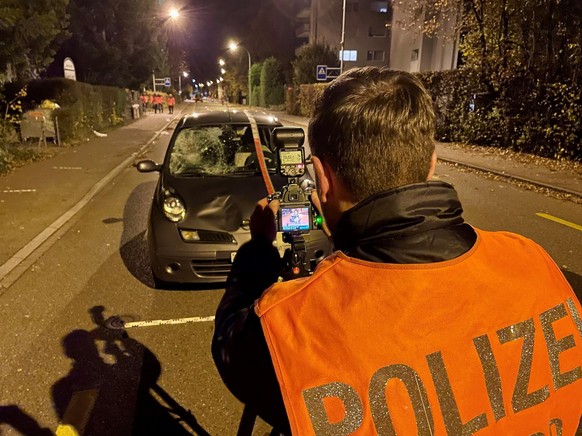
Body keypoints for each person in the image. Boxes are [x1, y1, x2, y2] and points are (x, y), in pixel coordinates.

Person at [212, 67, 582, 434]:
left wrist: (258, 248)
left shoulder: (291, 327)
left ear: (323, 178)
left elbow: (229, 343)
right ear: (431, 163)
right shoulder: (534, 262)